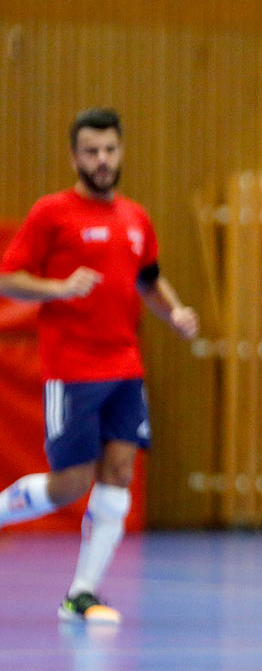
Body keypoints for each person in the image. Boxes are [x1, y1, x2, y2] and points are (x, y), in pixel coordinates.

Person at [0, 108, 198, 623]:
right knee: (70, 482)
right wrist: (58, 288)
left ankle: (82, 593)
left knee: (118, 472)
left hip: (125, 369)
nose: (102, 160)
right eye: (91, 151)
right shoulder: (52, 214)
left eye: (110, 150)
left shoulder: (136, 218)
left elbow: (149, 279)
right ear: (74, 156)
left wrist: (173, 312)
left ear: (121, 152)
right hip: (72, 371)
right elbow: (7, 278)